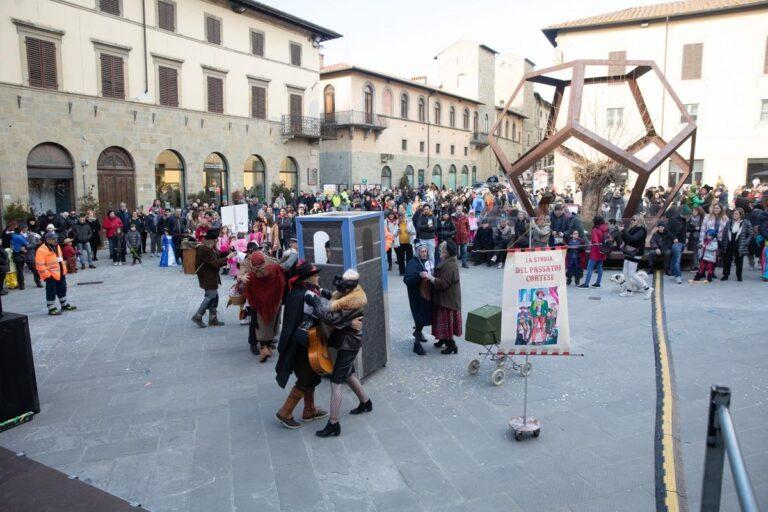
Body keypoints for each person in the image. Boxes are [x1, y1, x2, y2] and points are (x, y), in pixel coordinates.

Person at [305, 270, 370, 438]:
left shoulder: (353, 301)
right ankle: (366, 402)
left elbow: (330, 316)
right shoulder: (350, 293)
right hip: (347, 341)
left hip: (349, 343)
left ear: (349, 287)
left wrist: (314, 299)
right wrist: (322, 292)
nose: (340, 288)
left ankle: (333, 423)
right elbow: (336, 300)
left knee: (336, 382)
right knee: (348, 373)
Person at [274, 262, 329, 429]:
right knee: (305, 379)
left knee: (311, 376)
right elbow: (325, 313)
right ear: (310, 278)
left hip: (299, 341)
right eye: (316, 274)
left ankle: (309, 410)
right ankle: (285, 412)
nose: (318, 277)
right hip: (303, 344)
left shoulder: (296, 291)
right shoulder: (309, 295)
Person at [241, 251, 285, 361]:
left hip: (259, 304)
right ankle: (267, 347)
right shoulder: (274, 268)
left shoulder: (251, 276)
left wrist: (241, 278)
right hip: (274, 301)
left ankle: (264, 348)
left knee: (261, 325)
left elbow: (247, 288)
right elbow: (282, 281)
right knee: (272, 323)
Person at [424, 240, 462, 354]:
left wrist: (430, 278)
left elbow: (444, 283)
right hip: (444, 298)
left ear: (447, 252)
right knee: (441, 321)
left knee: (446, 323)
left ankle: (451, 345)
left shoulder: (450, 265)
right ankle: (443, 339)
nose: (440, 251)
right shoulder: (447, 261)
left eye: (443, 250)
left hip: (448, 300)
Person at [191, 229, 232, 328]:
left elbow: (217, 256)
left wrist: (227, 252)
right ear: (211, 240)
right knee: (210, 297)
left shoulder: (210, 247)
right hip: (207, 276)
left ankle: (212, 319)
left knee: (214, 297)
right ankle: (198, 315)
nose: (217, 241)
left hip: (211, 276)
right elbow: (214, 263)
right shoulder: (204, 249)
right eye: (216, 239)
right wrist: (227, 258)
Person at [35, 232, 76, 315]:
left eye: (56, 238)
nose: (56, 240)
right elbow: (39, 265)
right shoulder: (41, 250)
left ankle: (64, 305)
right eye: (53, 239)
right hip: (50, 275)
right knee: (51, 291)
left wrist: (64, 270)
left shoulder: (57, 246)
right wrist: (48, 275)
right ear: (48, 240)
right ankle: (51, 308)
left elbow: (60, 259)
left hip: (60, 273)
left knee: (62, 289)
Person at [403, 244, 433, 355]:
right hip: (417, 297)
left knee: (426, 317)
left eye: (425, 251)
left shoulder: (429, 261)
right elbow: (407, 279)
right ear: (417, 253)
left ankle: (418, 333)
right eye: (422, 252)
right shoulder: (412, 263)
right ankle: (417, 345)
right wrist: (419, 275)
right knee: (419, 317)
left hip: (428, 295)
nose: (424, 253)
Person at [619, 214, 650, 297]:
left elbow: (633, 239)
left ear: (639, 221)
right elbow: (627, 239)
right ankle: (629, 291)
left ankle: (647, 288)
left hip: (636, 253)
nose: (632, 221)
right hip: (629, 252)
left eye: (634, 220)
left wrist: (624, 231)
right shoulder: (633, 228)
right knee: (625, 272)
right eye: (631, 219)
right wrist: (622, 233)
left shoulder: (641, 230)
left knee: (632, 273)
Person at [721, 207, 752, 282]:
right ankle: (725, 275)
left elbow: (751, 234)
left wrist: (745, 243)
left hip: (739, 244)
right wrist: (723, 243)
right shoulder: (729, 222)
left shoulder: (746, 222)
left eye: (736, 214)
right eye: (734, 213)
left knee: (739, 261)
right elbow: (725, 233)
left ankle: (739, 276)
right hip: (729, 243)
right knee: (727, 260)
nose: (734, 215)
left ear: (741, 214)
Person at [579, 216, 608, 288]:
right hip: (603, 250)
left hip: (595, 251)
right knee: (600, 267)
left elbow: (595, 240)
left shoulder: (595, 229)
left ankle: (586, 284)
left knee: (589, 268)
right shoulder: (605, 228)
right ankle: (598, 283)